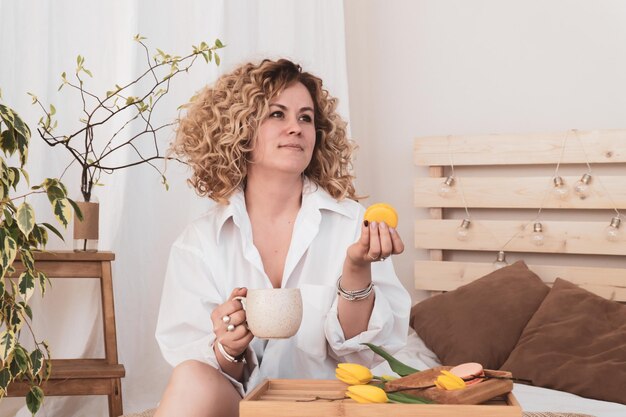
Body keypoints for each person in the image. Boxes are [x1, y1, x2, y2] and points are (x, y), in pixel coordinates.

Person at [154, 58, 411, 417]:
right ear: (241, 128)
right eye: (277, 114)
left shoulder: (354, 224)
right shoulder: (199, 242)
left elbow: (362, 352)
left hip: (331, 406)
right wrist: (229, 349)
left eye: (306, 117)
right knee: (190, 378)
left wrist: (356, 270)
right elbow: (206, 370)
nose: (296, 128)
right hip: (242, 407)